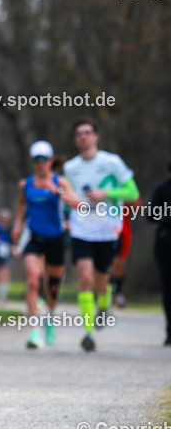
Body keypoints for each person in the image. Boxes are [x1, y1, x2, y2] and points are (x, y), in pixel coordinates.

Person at [62, 119, 139, 351]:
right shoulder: (70, 168)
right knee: (84, 277)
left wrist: (106, 192)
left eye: (87, 133)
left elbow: (132, 192)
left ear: (96, 137)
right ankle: (88, 332)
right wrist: (67, 213)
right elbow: (70, 198)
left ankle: (105, 302)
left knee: (101, 282)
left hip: (107, 229)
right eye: (78, 134)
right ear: (76, 140)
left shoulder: (112, 162)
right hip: (81, 228)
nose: (83, 137)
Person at [11, 141, 84, 349]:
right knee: (33, 281)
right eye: (36, 160)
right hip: (33, 237)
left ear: (51, 160)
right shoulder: (26, 184)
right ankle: (34, 331)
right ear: (33, 162)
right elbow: (21, 206)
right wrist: (17, 224)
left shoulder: (60, 181)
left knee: (53, 286)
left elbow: (78, 204)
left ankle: (50, 316)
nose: (40, 163)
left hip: (56, 238)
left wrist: (57, 192)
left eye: (44, 159)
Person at [147, 163, 171, 345]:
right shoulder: (162, 190)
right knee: (168, 288)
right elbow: (151, 215)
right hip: (166, 244)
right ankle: (170, 330)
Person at [110, 197, 141, 308]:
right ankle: (105, 292)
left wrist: (131, 201)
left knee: (119, 264)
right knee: (106, 263)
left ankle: (117, 291)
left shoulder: (127, 187)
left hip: (123, 230)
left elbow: (138, 210)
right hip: (104, 229)